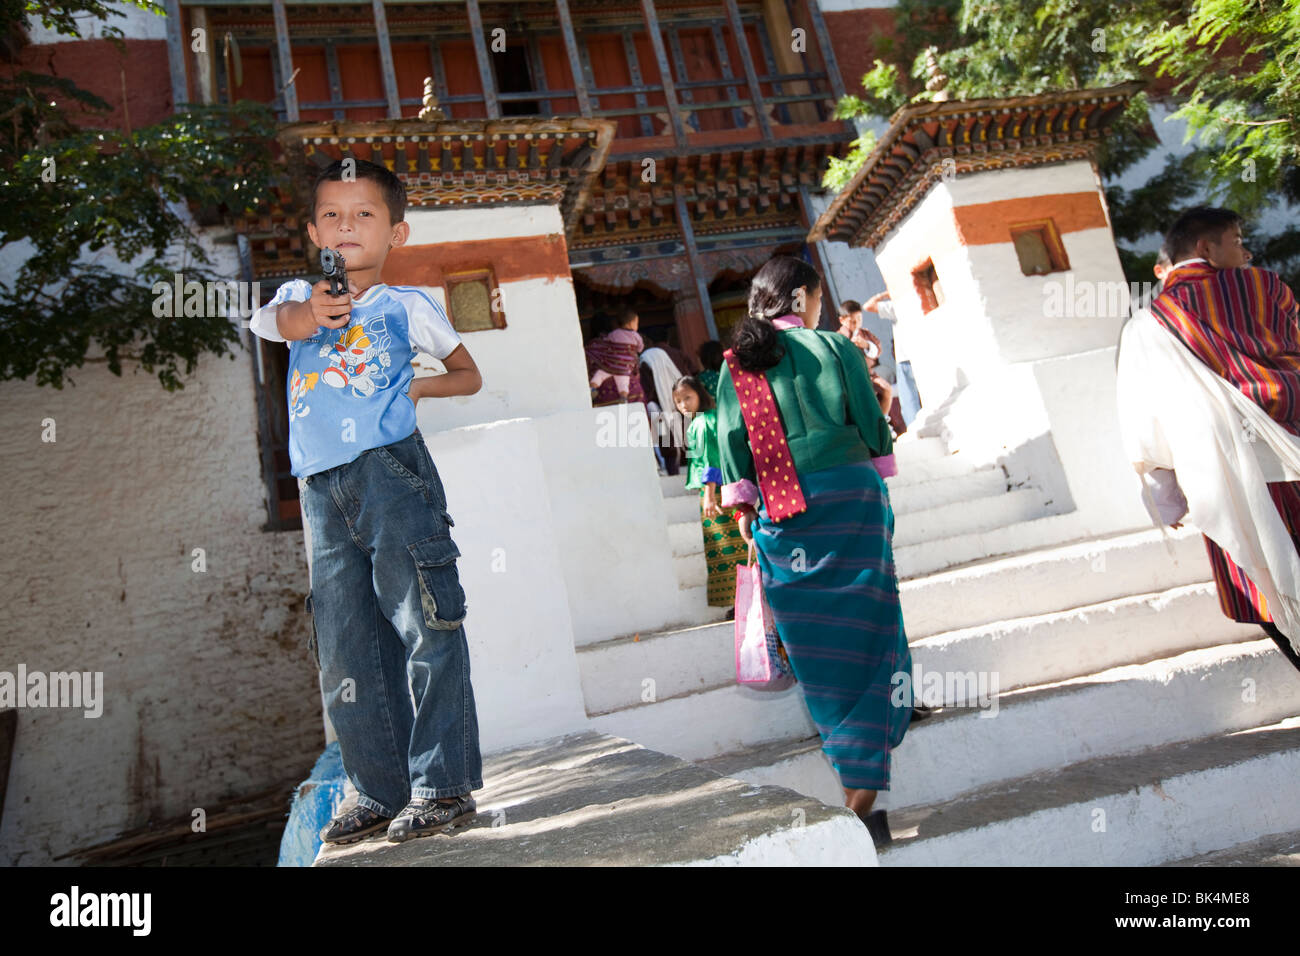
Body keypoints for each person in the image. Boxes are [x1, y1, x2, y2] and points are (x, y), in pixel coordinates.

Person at [249, 158, 484, 845]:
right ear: (311, 229)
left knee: (426, 619)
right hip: (321, 487)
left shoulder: (407, 307)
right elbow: (275, 324)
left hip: (391, 475)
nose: (345, 226)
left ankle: (442, 785)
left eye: (364, 215)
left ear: (397, 232)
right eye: (331, 214)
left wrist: (416, 390)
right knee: (347, 643)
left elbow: (468, 374)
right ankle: (380, 789)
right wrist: (310, 311)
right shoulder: (298, 294)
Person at [715, 255, 917, 847]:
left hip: (787, 510)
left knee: (820, 642)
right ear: (801, 297)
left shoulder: (737, 367)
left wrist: (747, 508)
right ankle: (864, 791)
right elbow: (870, 423)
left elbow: (733, 449)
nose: (823, 309)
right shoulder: (833, 347)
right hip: (852, 497)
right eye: (819, 299)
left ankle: (858, 787)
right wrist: (879, 460)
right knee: (873, 619)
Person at [1117, 205, 1300, 674]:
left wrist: (1167, 498)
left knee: (1267, 591)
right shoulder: (1265, 287)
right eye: (1237, 241)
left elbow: (1145, 424)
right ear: (1205, 249)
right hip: (1292, 449)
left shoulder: (1146, 325)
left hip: (1225, 480)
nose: (1246, 251)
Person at [674, 375, 745, 614]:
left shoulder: (701, 424)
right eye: (678, 401)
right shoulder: (712, 418)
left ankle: (739, 603)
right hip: (727, 491)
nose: (683, 404)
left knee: (726, 549)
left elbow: (710, 461)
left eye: (687, 397)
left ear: (700, 395)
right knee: (739, 546)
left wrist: (708, 494)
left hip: (715, 495)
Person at [865, 291, 922, 428]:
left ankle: (915, 427)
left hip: (905, 358)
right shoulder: (914, 302)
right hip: (916, 356)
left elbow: (868, 306)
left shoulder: (899, 304)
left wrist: (888, 293)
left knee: (909, 399)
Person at [587, 306, 645, 404]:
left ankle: (591, 389)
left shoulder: (591, 347)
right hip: (633, 391)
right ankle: (623, 398)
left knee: (598, 376)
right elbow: (637, 360)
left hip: (603, 396)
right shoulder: (630, 340)